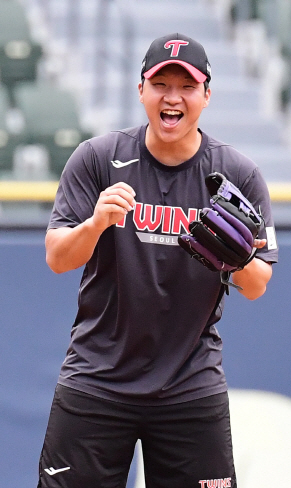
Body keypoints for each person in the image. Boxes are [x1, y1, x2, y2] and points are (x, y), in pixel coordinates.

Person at [38, 33, 278, 488]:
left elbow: (258, 284)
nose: (172, 98)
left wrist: (235, 258)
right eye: (160, 84)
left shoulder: (237, 174)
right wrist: (95, 224)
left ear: (207, 95)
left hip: (189, 383)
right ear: (141, 90)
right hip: (97, 378)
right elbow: (57, 257)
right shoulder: (99, 158)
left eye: (187, 86)